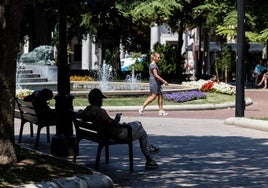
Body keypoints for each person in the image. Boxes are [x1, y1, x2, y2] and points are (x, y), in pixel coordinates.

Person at [79, 88, 160, 169]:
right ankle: (148, 158)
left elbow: (82, 115)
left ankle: (148, 148)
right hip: (117, 134)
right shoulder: (100, 111)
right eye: (100, 99)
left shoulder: (88, 109)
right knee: (142, 131)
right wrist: (117, 119)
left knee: (138, 124)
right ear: (96, 99)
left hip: (104, 133)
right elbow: (112, 123)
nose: (101, 101)